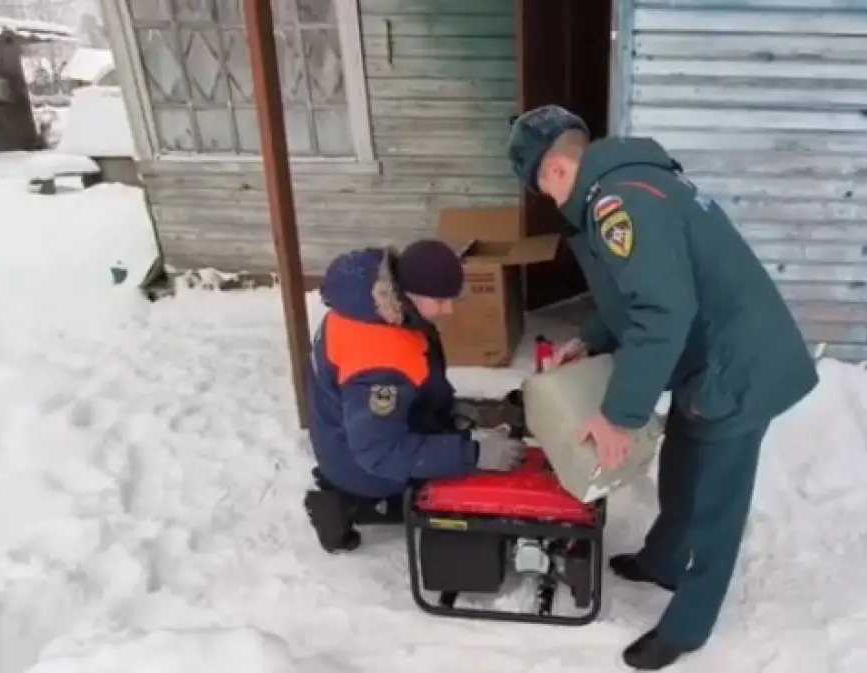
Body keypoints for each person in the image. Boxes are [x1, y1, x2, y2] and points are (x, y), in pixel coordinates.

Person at [507, 106, 819, 669]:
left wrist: (619, 415)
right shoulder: (631, 183)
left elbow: (661, 312)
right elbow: (643, 290)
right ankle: (664, 560)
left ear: (553, 170)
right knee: (681, 464)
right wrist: (592, 337)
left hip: (741, 366)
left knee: (717, 501)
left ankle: (688, 626)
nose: (549, 200)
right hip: (711, 357)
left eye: (541, 189)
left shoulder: (619, 203)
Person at [303, 241, 525, 553]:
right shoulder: (378, 358)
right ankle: (344, 503)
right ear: (410, 292)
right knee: (451, 483)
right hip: (359, 462)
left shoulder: (377, 302)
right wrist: (473, 454)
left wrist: (447, 409)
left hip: (360, 428)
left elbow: (416, 372)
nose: (449, 310)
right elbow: (380, 454)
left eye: (452, 298)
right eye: (441, 300)